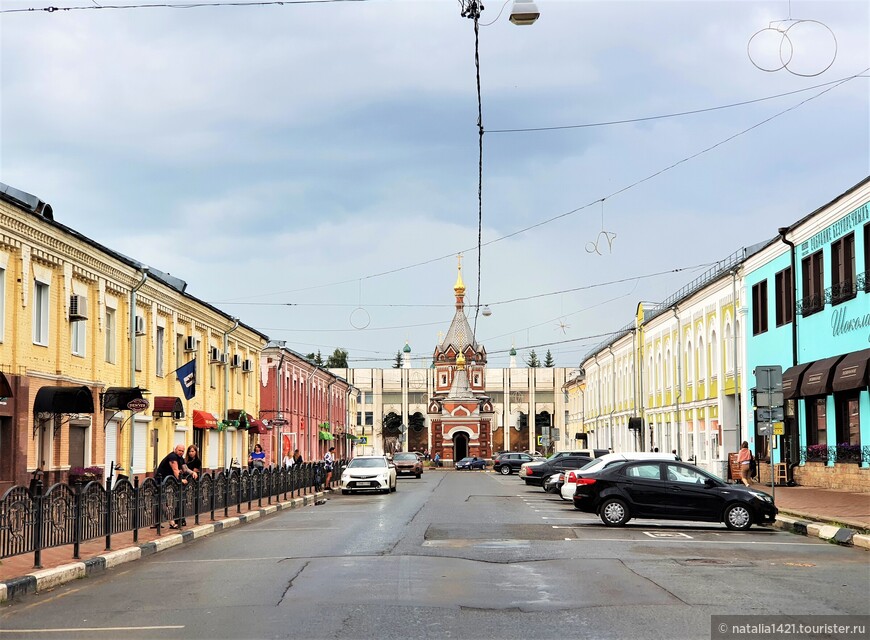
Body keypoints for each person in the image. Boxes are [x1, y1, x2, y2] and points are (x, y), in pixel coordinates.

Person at [154, 445, 188, 529]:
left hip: (168, 482)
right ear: (175, 449)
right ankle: (171, 522)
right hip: (160, 481)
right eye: (179, 450)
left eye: (183, 451)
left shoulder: (180, 458)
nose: (181, 452)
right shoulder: (172, 456)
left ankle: (156, 523)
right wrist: (181, 480)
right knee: (164, 502)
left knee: (163, 502)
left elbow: (185, 469)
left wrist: (192, 473)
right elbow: (175, 470)